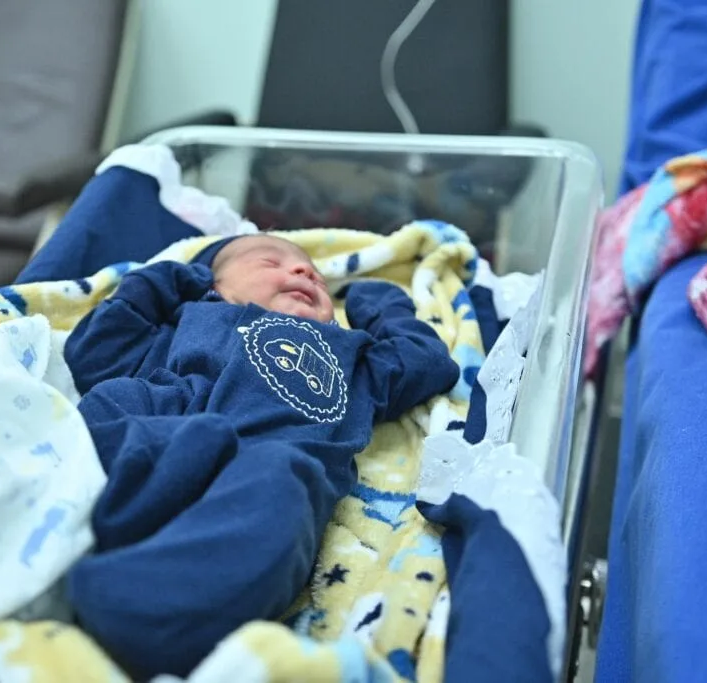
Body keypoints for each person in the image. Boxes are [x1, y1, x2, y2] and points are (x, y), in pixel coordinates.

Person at [64, 234, 459, 678]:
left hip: (264, 471)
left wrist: (380, 303)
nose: (305, 272)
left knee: (284, 480)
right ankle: (64, 526)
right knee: (117, 399)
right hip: (166, 439)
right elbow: (93, 355)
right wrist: (171, 279)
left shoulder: (354, 359)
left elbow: (429, 362)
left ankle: (156, 610)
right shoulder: (190, 319)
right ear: (214, 286)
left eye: (315, 276)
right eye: (270, 262)